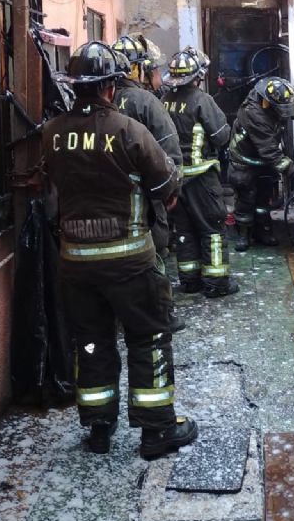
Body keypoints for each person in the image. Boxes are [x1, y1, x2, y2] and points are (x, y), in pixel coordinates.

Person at [42, 40, 198, 459]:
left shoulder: (51, 134)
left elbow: (48, 190)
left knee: (90, 341)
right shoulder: (129, 131)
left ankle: (97, 425)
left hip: (74, 263)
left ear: (75, 87)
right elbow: (168, 191)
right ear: (112, 86)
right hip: (130, 262)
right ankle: (157, 430)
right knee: (148, 339)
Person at [112, 35, 185, 332]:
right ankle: (159, 314)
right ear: (136, 70)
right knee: (154, 254)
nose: (156, 76)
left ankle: (120, 314)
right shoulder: (146, 102)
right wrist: (172, 189)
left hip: (107, 203)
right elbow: (170, 152)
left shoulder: (103, 100)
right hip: (146, 200)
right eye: (151, 69)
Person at [161, 49, 238, 298]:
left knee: (184, 230)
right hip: (202, 178)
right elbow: (221, 136)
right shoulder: (202, 100)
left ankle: (189, 281)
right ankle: (217, 284)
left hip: (174, 179)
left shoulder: (163, 100)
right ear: (198, 76)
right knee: (213, 228)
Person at [228, 76, 294, 251]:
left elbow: (286, 105)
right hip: (244, 163)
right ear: (268, 103)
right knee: (246, 200)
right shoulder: (253, 114)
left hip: (264, 161)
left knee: (263, 199)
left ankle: (264, 231)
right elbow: (270, 152)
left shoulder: (270, 94)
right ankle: (243, 234)